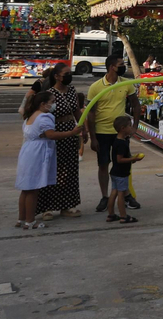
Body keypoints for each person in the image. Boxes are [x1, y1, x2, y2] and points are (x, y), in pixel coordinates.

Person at [16, 89, 83, 229]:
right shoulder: (44, 117)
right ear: (42, 104)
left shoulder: (31, 115)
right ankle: (30, 221)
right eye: (52, 102)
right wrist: (72, 132)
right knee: (33, 189)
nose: (54, 105)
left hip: (28, 151)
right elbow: (51, 135)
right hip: (37, 153)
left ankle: (21, 219)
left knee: (26, 188)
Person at [84, 55, 143, 212]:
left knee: (123, 163)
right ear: (112, 67)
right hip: (102, 132)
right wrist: (93, 137)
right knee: (103, 164)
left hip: (120, 134)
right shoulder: (96, 87)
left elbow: (135, 105)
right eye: (121, 64)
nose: (124, 66)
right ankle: (105, 197)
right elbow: (90, 113)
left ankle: (126, 195)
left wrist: (135, 126)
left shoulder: (126, 84)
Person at [36, 66, 86, 220]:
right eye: (66, 74)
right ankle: (47, 207)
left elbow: (77, 110)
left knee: (70, 169)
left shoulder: (71, 90)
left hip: (71, 133)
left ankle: (67, 205)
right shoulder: (49, 94)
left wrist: (83, 129)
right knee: (52, 169)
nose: (69, 76)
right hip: (55, 133)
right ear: (57, 76)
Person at [105, 114, 142, 224]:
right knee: (121, 195)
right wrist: (132, 159)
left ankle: (111, 214)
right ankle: (123, 216)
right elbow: (120, 159)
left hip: (115, 172)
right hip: (121, 173)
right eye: (129, 126)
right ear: (123, 128)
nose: (131, 128)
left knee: (113, 192)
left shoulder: (117, 140)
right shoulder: (121, 143)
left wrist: (131, 159)